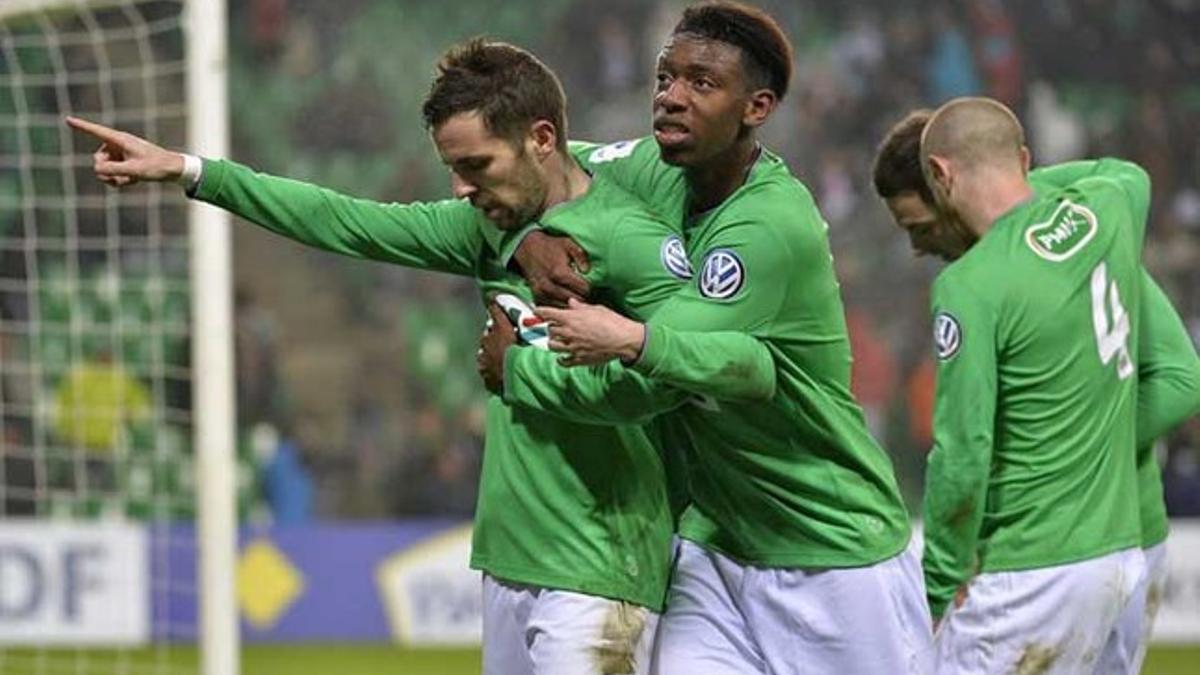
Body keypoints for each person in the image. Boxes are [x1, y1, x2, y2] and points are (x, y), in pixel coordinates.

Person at [67, 39, 777, 675]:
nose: (462, 188)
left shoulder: (632, 241)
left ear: (540, 138)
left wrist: (522, 372)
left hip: (601, 568)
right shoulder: (489, 229)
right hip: (508, 557)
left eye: (476, 165)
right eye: (452, 168)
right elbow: (341, 219)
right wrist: (191, 171)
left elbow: (678, 379)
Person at [479, 3, 932, 673]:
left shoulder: (768, 225)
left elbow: (664, 370)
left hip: (831, 547)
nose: (671, 98)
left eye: (701, 83)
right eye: (665, 78)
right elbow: (524, 169)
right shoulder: (647, 170)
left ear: (757, 107)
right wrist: (522, 238)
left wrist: (523, 369)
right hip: (712, 547)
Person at [872, 106, 1200, 673]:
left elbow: (962, 454)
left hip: (1027, 558)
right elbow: (1129, 174)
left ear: (942, 178)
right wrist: (1018, 187)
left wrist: (933, 586)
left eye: (920, 227)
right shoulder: (1103, 219)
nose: (919, 249)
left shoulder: (971, 286)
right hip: (1125, 550)